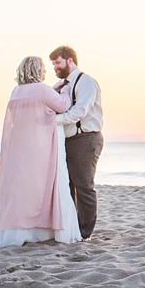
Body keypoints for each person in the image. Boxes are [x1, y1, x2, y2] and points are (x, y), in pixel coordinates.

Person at [0, 56, 81, 248]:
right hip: (38, 148)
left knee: (20, 189)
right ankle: (40, 229)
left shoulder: (16, 92)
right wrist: (64, 90)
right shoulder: (41, 89)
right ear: (37, 70)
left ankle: (17, 228)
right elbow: (64, 105)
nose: (45, 72)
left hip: (18, 148)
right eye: (42, 69)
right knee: (40, 187)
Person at [50, 45, 103, 240]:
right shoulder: (63, 85)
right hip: (68, 139)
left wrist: (51, 121)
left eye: (57, 63)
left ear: (69, 60)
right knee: (68, 185)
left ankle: (85, 233)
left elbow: (79, 112)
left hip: (86, 138)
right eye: (53, 64)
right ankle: (73, 230)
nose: (55, 67)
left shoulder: (86, 82)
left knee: (84, 186)